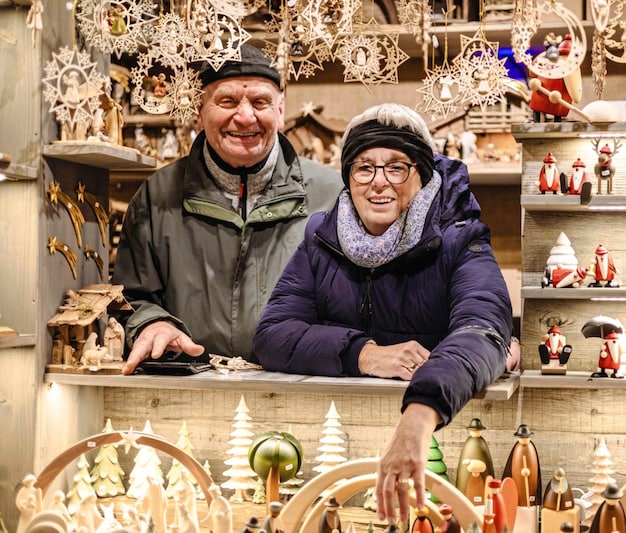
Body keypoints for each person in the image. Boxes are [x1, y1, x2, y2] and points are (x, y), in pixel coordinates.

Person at [253, 103, 512, 525]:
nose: (378, 183)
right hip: (336, 450)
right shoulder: (320, 239)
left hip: (437, 448)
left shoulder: (460, 240)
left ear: (422, 174)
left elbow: (482, 329)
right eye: (364, 167)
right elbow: (272, 334)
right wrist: (365, 354)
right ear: (348, 175)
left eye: (397, 167)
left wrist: (419, 415)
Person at [114, 44, 342, 374]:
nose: (246, 116)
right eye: (228, 101)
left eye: (260, 102)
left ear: (280, 112)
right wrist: (152, 324)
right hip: (190, 387)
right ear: (199, 111)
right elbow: (129, 297)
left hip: (302, 384)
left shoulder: (330, 194)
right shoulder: (157, 196)